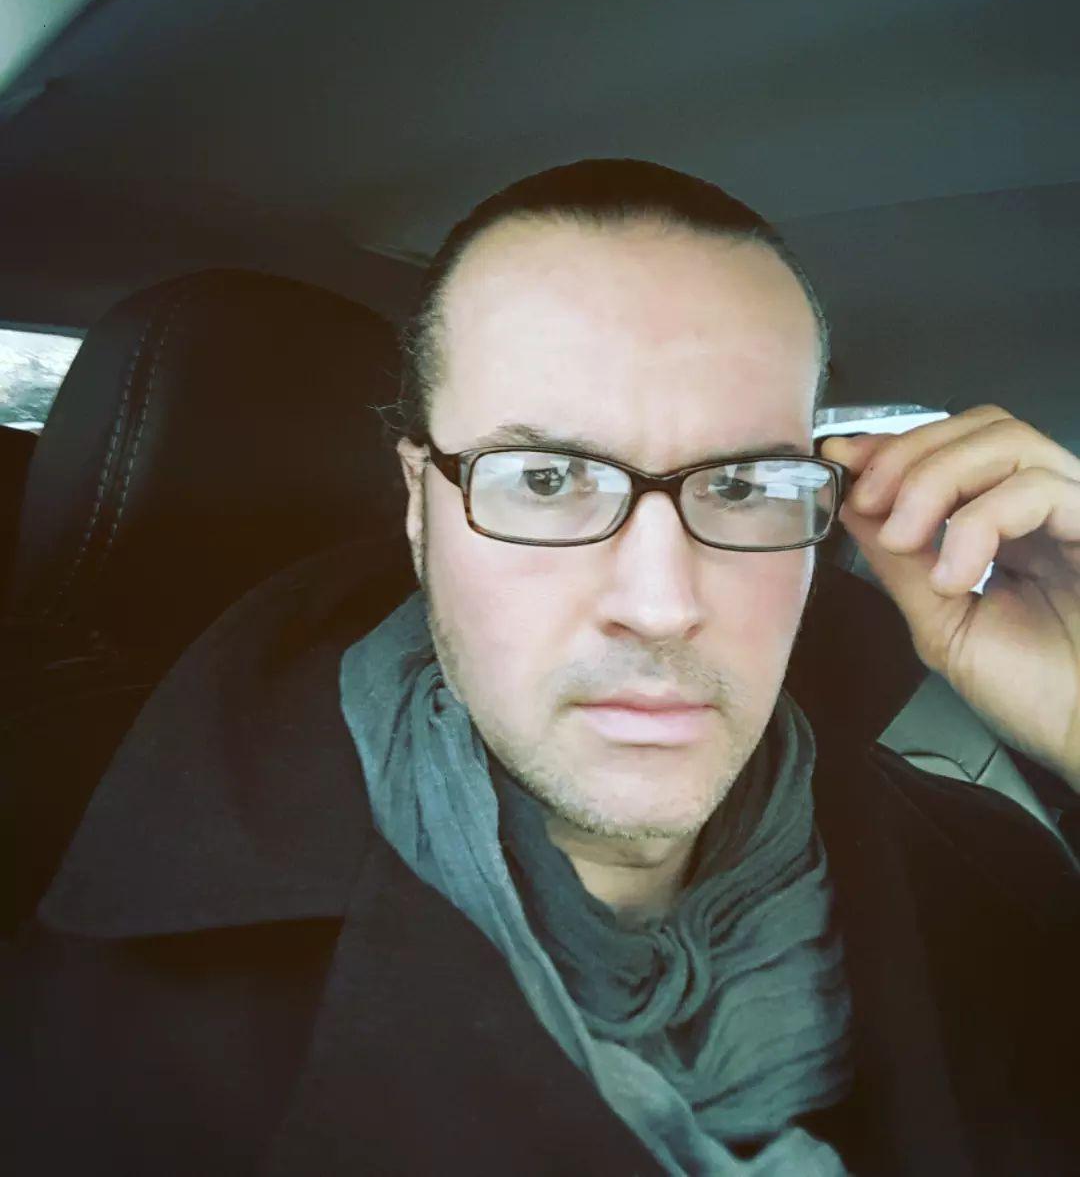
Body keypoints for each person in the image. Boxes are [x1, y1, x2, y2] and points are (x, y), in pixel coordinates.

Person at [9, 160, 1079, 1176]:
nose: (660, 605)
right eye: (547, 478)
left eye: (742, 486)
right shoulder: (74, 987)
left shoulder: (999, 882)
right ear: (420, 506)